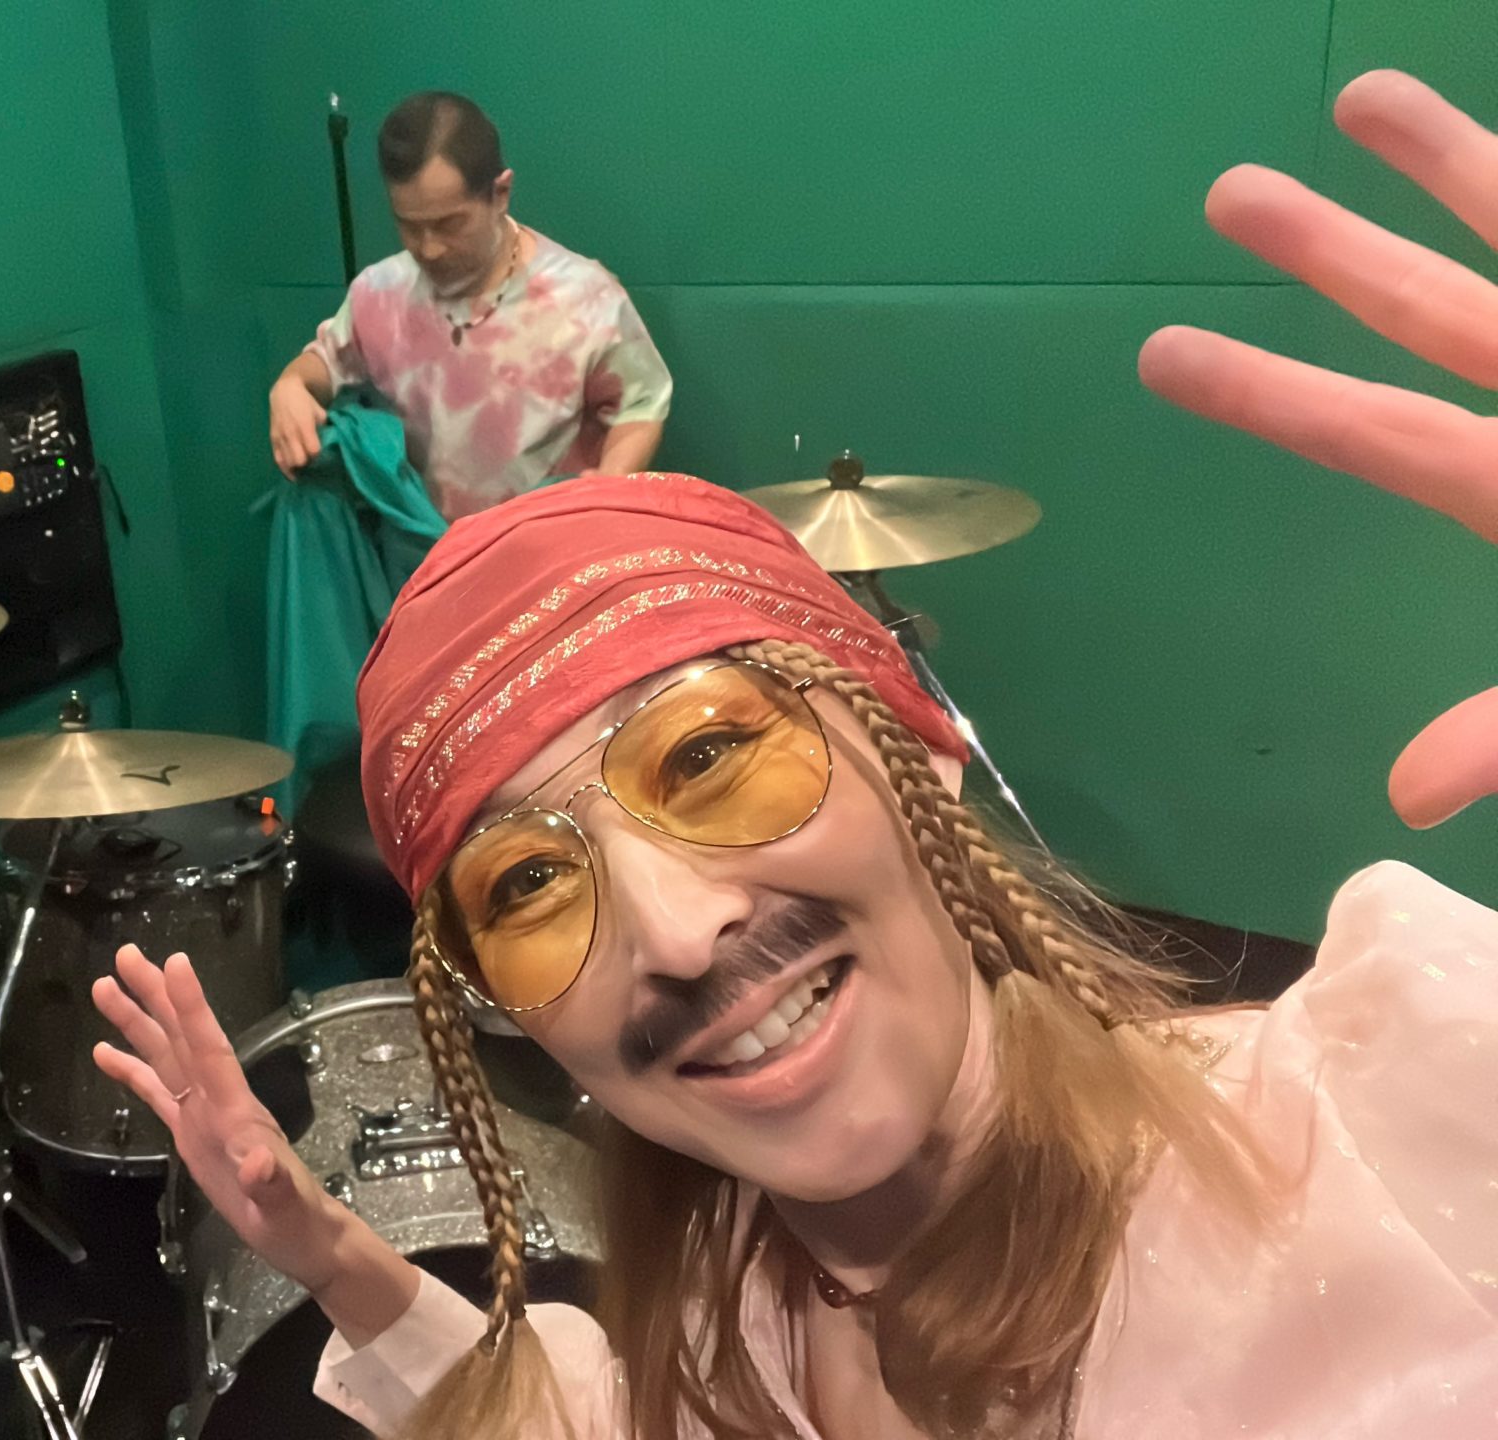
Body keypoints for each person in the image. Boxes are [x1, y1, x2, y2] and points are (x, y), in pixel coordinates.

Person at [101, 69, 1498, 1439]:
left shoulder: (1360, 1134)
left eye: (709, 757)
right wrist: (330, 1253)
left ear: (921, 745)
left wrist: (575, 547)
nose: (676, 932)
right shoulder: (719, 1321)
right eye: (526, 884)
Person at [268, 91, 675, 519]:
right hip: (420, 551)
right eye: (409, 225)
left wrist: (612, 479)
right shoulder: (379, 292)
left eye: (449, 224)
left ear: (500, 193)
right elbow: (326, 362)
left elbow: (641, 402)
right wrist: (290, 386)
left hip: (542, 545)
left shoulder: (584, 297)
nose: (429, 248)